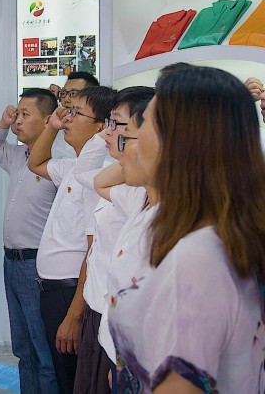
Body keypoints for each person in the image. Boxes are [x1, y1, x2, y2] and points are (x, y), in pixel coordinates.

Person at [109, 65, 265, 393]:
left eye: (145, 123)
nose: (129, 141)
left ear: (179, 143)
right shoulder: (213, 236)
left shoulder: (196, 258)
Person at [28, 86, 115, 394]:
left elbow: (94, 250)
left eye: (76, 113)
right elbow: (36, 163)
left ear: (102, 125)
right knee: (62, 374)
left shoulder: (99, 175)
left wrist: (75, 315)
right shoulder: (73, 166)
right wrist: (51, 126)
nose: (67, 118)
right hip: (54, 288)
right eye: (68, 111)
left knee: (73, 381)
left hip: (71, 292)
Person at [73, 86, 154, 394]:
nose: (109, 133)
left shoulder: (157, 204)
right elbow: (97, 179)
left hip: (131, 342)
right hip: (105, 321)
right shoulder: (135, 191)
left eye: (118, 125)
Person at [0, 88, 59, 394]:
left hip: (37, 266)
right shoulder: (18, 156)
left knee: (44, 352)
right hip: (11, 263)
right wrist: (4, 121)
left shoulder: (58, 163)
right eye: (17, 113)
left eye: (25, 115)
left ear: (48, 121)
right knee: (22, 348)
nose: (18, 121)